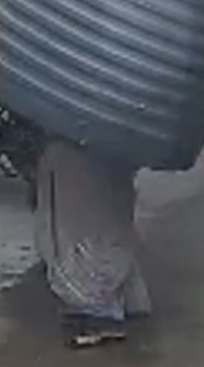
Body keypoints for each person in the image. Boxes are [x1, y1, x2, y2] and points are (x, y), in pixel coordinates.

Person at [34, 138, 151, 348]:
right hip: (106, 140)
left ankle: (99, 311)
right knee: (105, 213)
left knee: (80, 220)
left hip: (79, 140)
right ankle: (119, 298)